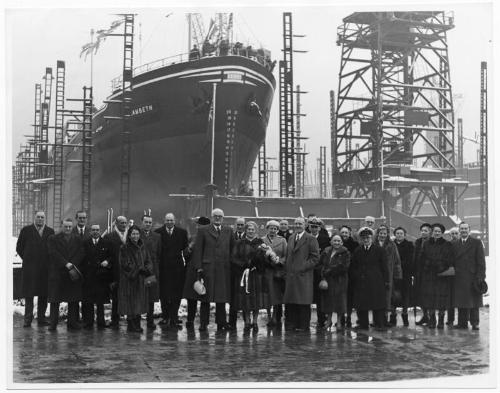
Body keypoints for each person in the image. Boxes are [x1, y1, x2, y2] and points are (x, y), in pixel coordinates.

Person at [192, 208, 235, 332]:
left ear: (223, 218)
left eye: (220, 216)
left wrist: (232, 266)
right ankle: (203, 323)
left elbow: (233, 250)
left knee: (221, 298)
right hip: (208, 269)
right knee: (205, 297)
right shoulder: (203, 230)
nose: (217, 218)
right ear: (211, 217)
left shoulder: (228, 231)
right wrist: (199, 267)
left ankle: (221, 322)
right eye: (215, 216)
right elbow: (198, 250)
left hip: (223, 269)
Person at [16, 211, 55, 327]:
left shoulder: (50, 231)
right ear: (35, 218)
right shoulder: (26, 230)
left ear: (45, 219)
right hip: (30, 269)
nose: (40, 219)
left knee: (43, 294)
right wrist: (28, 259)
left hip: (44, 269)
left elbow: (53, 249)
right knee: (29, 295)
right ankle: (27, 320)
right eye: (38, 217)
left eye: (42, 217)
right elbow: (19, 247)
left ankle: (41, 319)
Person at [283, 217, 320, 332]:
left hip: (304, 276)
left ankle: (303, 325)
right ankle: (291, 324)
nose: (298, 225)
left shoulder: (311, 239)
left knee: (303, 302)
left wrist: (302, 267)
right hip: (291, 276)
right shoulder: (291, 238)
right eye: (296, 223)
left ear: (305, 225)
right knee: (291, 301)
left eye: (300, 223)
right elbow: (288, 255)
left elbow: (315, 258)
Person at [47, 218, 85, 331]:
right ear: (61, 226)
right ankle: (53, 324)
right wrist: (65, 263)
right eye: (66, 226)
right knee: (55, 300)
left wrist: (72, 264)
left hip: (72, 273)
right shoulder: (53, 238)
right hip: (58, 273)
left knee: (73, 300)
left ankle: (72, 323)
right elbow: (52, 253)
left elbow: (81, 252)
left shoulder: (77, 238)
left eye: (69, 226)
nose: (68, 228)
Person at [350, 227, 389, 331]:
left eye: (368, 238)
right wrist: (357, 276)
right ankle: (363, 324)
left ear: (372, 238)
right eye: (364, 238)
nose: (366, 240)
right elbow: (353, 266)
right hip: (361, 282)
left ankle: (379, 324)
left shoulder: (379, 250)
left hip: (376, 281)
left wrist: (386, 281)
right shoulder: (358, 251)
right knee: (362, 304)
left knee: (378, 304)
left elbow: (385, 266)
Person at [232, 221, 269, 331]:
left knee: (256, 298)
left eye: (253, 229)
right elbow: (234, 257)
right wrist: (244, 265)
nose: (251, 231)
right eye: (249, 229)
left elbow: (264, 257)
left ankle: (255, 320)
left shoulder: (260, 242)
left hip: (257, 274)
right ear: (245, 230)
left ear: (256, 230)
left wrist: (257, 265)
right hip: (244, 274)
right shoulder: (239, 243)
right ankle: (247, 320)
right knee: (245, 297)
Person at [155, 213, 189, 329]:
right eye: (167, 220)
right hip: (163, 267)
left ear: (175, 221)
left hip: (177, 268)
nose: (169, 222)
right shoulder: (158, 232)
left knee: (176, 294)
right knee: (164, 294)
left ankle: (174, 317)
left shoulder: (182, 232)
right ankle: (165, 317)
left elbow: (185, 250)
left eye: (171, 220)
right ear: (164, 221)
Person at [118, 225, 154, 333]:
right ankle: (131, 325)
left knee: (139, 302)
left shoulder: (143, 246)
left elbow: (148, 260)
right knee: (130, 302)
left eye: (137, 234)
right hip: (130, 280)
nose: (135, 236)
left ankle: (137, 324)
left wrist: (147, 269)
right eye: (133, 234)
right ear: (129, 235)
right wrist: (137, 269)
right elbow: (124, 264)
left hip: (141, 279)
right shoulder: (124, 247)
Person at [419, 223, 454, 329]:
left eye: (439, 231)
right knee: (430, 298)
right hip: (429, 276)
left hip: (441, 276)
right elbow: (422, 257)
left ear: (442, 233)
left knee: (441, 299)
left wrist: (439, 267)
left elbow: (449, 259)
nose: (437, 233)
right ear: (432, 232)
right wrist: (427, 266)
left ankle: (441, 320)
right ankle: (432, 319)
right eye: (435, 231)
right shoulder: (426, 244)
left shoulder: (447, 244)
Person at [452, 222, 486, 330]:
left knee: (474, 301)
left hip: (473, 276)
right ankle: (462, 323)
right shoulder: (455, 244)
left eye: (465, 229)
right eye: (461, 229)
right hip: (459, 276)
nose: (463, 231)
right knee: (461, 301)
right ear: (459, 230)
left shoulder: (476, 243)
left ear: (469, 230)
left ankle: (475, 323)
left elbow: (481, 261)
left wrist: (480, 276)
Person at [81, 224, 113, 329]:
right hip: (89, 276)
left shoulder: (106, 243)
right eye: (93, 230)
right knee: (89, 301)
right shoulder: (85, 243)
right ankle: (88, 322)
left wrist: (107, 261)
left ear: (100, 231)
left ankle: (101, 322)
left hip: (101, 276)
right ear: (90, 231)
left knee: (100, 301)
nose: (95, 231)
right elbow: (82, 258)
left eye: (97, 230)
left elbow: (111, 256)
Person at [182, 216, 211, 329]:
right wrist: (189, 247)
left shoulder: (211, 239)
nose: (198, 227)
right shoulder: (193, 238)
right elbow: (185, 255)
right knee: (191, 298)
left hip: (205, 271)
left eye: (199, 225)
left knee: (205, 298)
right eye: (198, 225)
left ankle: (204, 323)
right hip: (192, 271)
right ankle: (190, 320)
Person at [318, 234, 351, 332]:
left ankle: (339, 321)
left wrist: (330, 270)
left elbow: (344, 266)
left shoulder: (345, 252)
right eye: (334, 240)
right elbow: (320, 264)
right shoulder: (326, 251)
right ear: (331, 242)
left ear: (342, 242)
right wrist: (323, 272)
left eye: (338, 241)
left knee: (339, 301)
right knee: (328, 301)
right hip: (328, 280)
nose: (336, 243)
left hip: (340, 280)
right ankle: (328, 320)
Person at [103, 215, 129, 329]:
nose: (124, 225)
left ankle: (130, 319)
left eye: (125, 223)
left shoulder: (131, 235)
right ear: (116, 224)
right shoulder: (109, 237)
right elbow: (107, 255)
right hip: (115, 272)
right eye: (121, 223)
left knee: (129, 296)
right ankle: (115, 320)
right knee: (116, 298)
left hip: (129, 272)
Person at [375, 225, 402, 327]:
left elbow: (397, 261)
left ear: (387, 235)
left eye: (384, 233)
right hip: (376, 274)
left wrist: (398, 275)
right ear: (378, 234)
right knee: (376, 297)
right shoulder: (374, 244)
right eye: (381, 233)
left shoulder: (392, 245)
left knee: (387, 298)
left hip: (388, 275)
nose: (382, 235)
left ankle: (385, 319)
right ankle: (377, 319)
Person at [262, 220, 287, 328]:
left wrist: (279, 261)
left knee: (277, 296)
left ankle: (276, 316)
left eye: (275, 229)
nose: (273, 230)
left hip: (278, 272)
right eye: (271, 228)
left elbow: (286, 255)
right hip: (266, 271)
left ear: (278, 230)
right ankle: (269, 317)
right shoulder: (262, 240)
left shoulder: (282, 240)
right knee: (267, 295)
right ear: (267, 229)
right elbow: (259, 255)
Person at [308, 217, 331, 330]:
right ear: (309, 227)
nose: (314, 229)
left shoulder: (325, 239)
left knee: (320, 298)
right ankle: (305, 320)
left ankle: (321, 320)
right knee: (307, 296)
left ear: (319, 228)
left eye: (316, 227)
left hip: (320, 271)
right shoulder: (305, 238)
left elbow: (327, 255)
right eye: (312, 226)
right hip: (308, 271)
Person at [141, 215, 161, 330]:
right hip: (140, 270)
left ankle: (150, 320)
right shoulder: (136, 234)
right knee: (139, 296)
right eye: (146, 222)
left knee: (151, 298)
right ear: (142, 222)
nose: (148, 224)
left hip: (152, 271)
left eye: (150, 222)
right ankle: (136, 320)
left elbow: (159, 254)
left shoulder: (157, 236)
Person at [393, 227, 415, 327]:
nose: (399, 235)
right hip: (394, 274)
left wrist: (400, 264)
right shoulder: (391, 245)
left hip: (406, 273)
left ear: (404, 235)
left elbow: (411, 259)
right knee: (393, 295)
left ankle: (405, 314)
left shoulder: (409, 245)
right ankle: (392, 315)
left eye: (401, 233)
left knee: (406, 295)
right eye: (397, 233)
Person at [339, 225, 359, 328]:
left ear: (349, 233)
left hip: (351, 274)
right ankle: (341, 317)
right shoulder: (336, 243)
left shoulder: (355, 244)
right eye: (342, 232)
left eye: (346, 232)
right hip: (339, 275)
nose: (344, 234)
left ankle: (349, 317)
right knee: (341, 297)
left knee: (350, 297)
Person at [228, 217, 246, 329]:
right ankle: (232, 322)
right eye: (238, 225)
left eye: (241, 225)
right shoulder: (231, 236)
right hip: (233, 271)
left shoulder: (248, 236)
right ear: (235, 225)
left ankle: (247, 321)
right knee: (233, 297)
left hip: (245, 272)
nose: (239, 227)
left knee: (245, 297)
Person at [413, 223, 432, 326]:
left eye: (426, 230)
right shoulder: (418, 242)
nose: (423, 232)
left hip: (429, 273)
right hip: (418, 273)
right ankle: (425, 316)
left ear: (430, 232)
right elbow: (414, 257)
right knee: (420, 296)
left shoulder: (433, 242)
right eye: (422, 230)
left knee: (428, 296)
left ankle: (430, 318)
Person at [446, 227, 459, 326]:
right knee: (450, 299)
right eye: (452, 234)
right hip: (450, 274)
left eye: (456, 233)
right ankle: (450, 319)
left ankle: (462, 319)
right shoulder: (448, 245)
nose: (454, 235)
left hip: (460, 274)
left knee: (460, 298)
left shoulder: (462, 244)